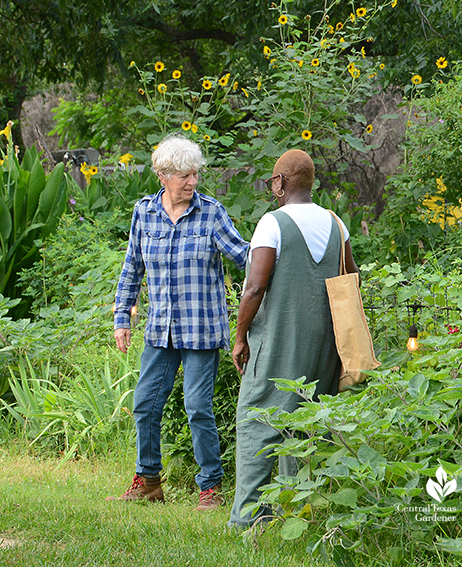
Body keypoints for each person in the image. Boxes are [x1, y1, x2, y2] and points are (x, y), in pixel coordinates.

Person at [109, 134, 249, 511]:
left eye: (195, 175)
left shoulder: (212, 213)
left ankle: (210, 489)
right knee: (145, 404)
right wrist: (122, 317)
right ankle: (148, 482)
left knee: (198, 407)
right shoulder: (144, 213)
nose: (191, 182)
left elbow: (245, 257)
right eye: (184, 176)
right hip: (160, 329)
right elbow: (131, 268)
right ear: (162, 175)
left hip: (202, 330)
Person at [228, 148, 359, 528]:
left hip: (277, 343)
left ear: (282, 182)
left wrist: (240, 338)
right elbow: (351, 279)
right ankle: (299, 513)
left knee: (257, 419)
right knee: (306, 424)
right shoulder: (336, 224)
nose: (273, 186)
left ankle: (248, 519)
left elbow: (254, 288)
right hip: (324, 346)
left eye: (273, 180)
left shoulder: (273, 223)